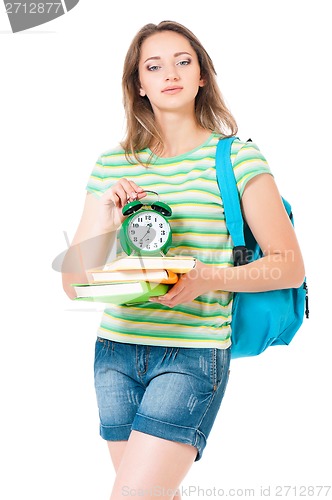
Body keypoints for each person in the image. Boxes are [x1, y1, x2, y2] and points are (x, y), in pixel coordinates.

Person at [61, 20, 305, 500]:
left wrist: (204, 277)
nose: (169, 73)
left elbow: (289, 265)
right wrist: (108, 212)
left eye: (182, 61)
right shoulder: (113, 163)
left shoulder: (236, 158)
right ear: (139, 84)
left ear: (201, 77)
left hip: (193, 351)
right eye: (154, 66)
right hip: (116, 352)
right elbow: (74, 283)